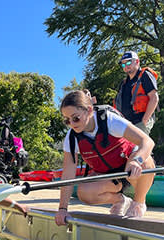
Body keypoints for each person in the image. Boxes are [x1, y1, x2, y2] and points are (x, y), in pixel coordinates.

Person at [55, 90, 155, 225]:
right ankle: (120, 200)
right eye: (67, 120)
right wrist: (62, 209)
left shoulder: (109, 120)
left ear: (89, 110)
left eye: (76, 118)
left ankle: (138, 204)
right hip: (108, 177)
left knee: (147, 163)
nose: (72, 124)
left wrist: (137, 160)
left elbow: (147, 142)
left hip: (130, 166)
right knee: (84, 193)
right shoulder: (72, 138)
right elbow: (67, 175)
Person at [114, 51, 159, 135]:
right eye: (123, 64)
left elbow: (154, 98)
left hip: (140, 121)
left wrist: (144, 121)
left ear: (137, 62)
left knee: (140, 147)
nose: (126, 66)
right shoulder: (123, 83)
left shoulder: (145, 75)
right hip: (127, 124)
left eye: (128, 62)